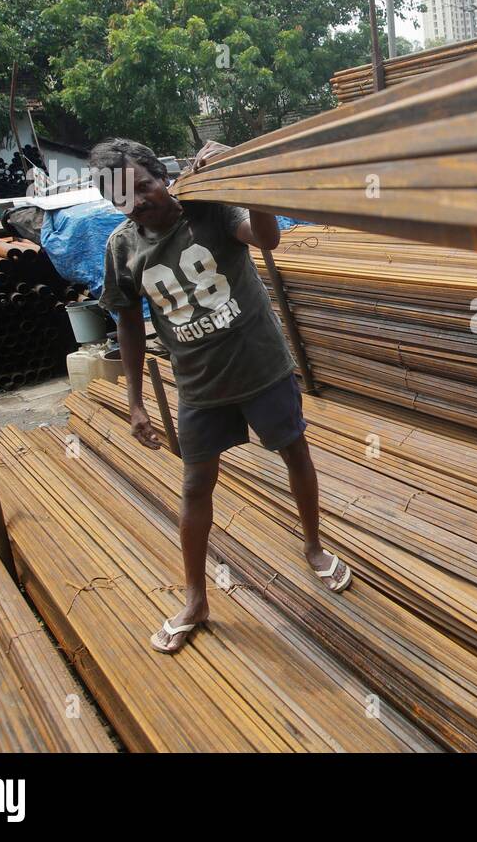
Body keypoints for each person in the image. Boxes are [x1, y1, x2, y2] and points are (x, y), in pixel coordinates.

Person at [92, 137, 351, 656]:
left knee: (294, 451)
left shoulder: (208, 207)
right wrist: (136, 400)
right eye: (125, 197)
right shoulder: (122, 247)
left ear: (161, 175)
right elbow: (128, 323)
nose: (139, 201)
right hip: (200, 386)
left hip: (260, 367)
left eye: (144, 185)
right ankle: (195, 598)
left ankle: (314, 547)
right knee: (194, 487)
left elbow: (266, 238)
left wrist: (248, 179)